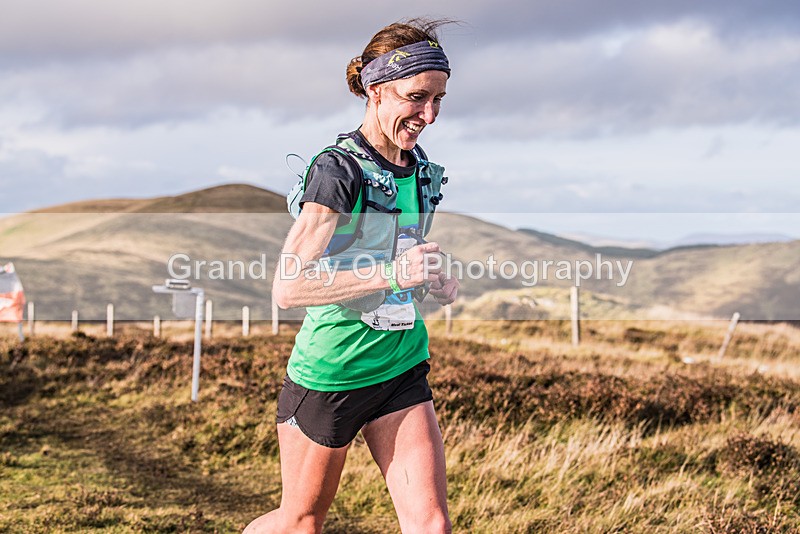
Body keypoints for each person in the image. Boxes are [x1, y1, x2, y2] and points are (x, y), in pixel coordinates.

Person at [244, 18, 459, 534]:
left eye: (439, 100)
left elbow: (393, 254)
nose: (428, 115)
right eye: (416, 97)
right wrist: (392, 274)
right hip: (332, 376)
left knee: (431, 525)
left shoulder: (419, 167)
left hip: (401, 366)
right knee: (300, 523)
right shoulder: (338, 172)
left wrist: (431, 276)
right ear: (376, 89)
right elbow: (289, 287)